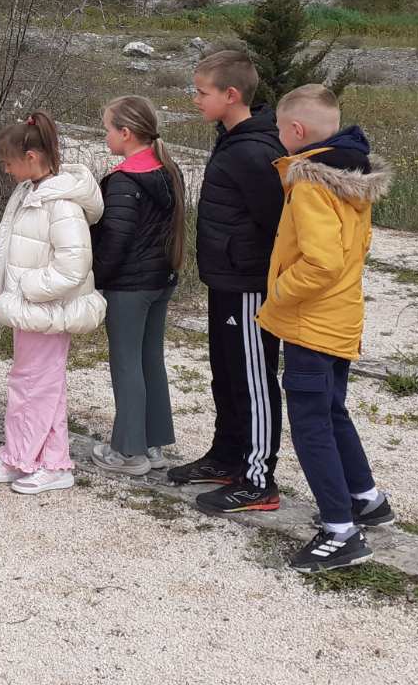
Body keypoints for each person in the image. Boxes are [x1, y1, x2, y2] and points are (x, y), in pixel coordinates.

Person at [257, 84, 394, 571]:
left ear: (296, 130)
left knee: (311, 423)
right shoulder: (350, 174)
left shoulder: (310, 184)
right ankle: (366, 498)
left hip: (310, 323)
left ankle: (341, 531)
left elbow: (322, 261)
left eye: (279, 128)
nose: (277, 136)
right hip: (339, 317)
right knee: (332, 410)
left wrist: (278, 294)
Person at [168, 49, 289, 515]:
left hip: (248, 284)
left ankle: (258, 480)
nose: (195, 99)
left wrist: (253, 269)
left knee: (253, 379)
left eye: (202, 92)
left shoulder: (255, 151)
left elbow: (277, 223)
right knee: (227, 371)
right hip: (224, 280)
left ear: (232, 94)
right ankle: (227, 456)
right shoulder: (233, 140)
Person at [0, 111, 104, 494]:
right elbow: (10, 248)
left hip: (45, 308)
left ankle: (21, 456)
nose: (6, 169)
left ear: (30, 157)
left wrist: (25, 287)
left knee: (33, 384)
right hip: (33, 309)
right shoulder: (30, 192)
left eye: (8, 162)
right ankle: (49, 460)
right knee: (40, 383)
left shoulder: (60, 204)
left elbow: (73, 266)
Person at [89, 95, 184, 475]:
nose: (106, 136)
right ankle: (152, 445)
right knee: (150, 359)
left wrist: (95, 277)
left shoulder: (124, 180)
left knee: (126, 362)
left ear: (126, 132)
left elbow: (115, 239)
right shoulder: (168, 170)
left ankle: (129, 452)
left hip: (129, 285)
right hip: (161, 279)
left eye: (108, 129)